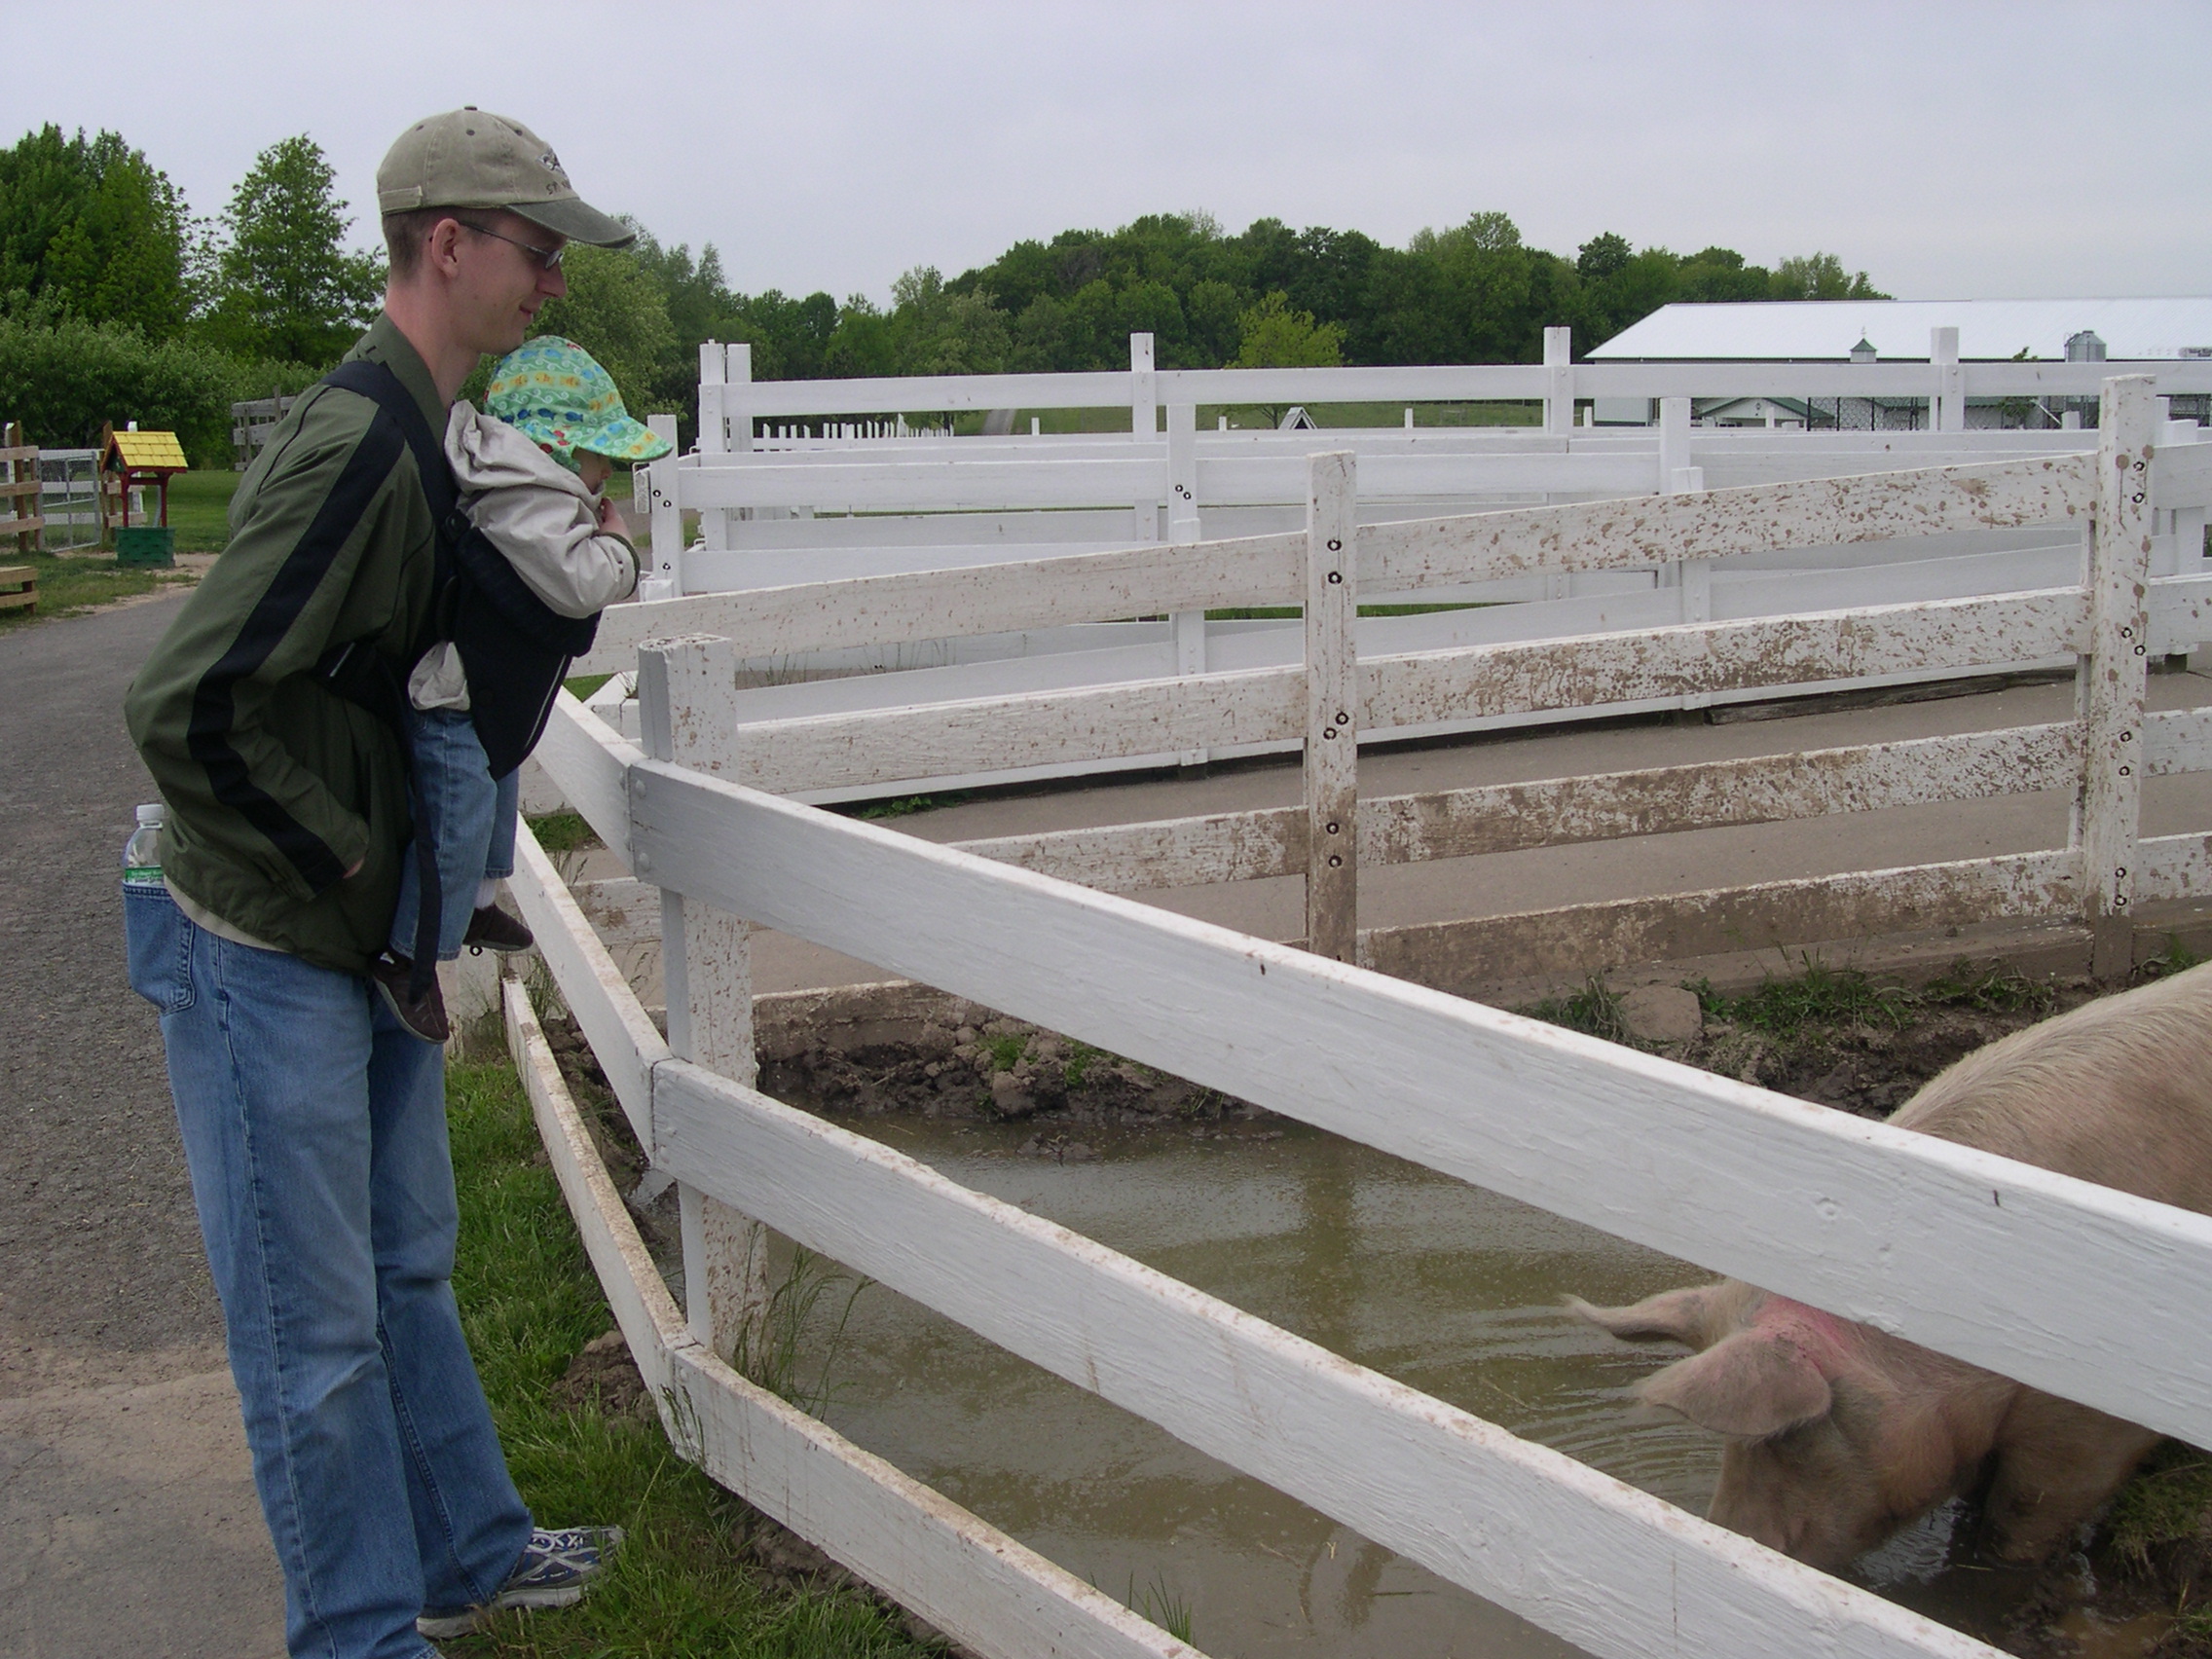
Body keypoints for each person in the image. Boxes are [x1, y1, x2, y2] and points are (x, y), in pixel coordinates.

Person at [123, 109, 632, 1658]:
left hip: (361, 942)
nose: (553, 282)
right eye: (536, 251)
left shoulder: (434, 429)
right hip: (262, 933)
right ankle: (357, 1633)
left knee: (408, 1262)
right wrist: (343, 860)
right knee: (314, 1333)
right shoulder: (359, 442)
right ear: (449, 242)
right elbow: (185, 707)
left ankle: (465, 1553)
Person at [374, 335, 670, 1044]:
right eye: (603, 462)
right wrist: (619, 548)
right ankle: (407, 957)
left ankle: (475, 901)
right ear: (563, 451)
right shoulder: (529, 497)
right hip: (449, 698)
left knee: (497, 786)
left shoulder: (527, 492)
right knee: (457, 820)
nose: (607, 481)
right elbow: (577, 583)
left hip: (478, 696)